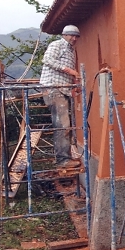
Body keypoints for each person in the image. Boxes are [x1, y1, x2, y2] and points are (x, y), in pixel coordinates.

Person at [40, 25, 81, 168]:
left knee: (65, 124)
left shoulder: (70, 50)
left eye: (76, 36)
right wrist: (71, 71)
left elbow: (65, 76)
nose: (74, 39)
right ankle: (63, 160)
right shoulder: (57, 44)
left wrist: (73, 87)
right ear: (64, 35)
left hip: (62, 89)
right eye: (72, 36)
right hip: (53, 88)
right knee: (62, 124)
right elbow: (48, 60)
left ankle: (64, 157)